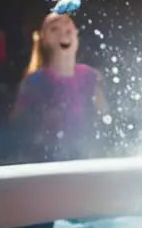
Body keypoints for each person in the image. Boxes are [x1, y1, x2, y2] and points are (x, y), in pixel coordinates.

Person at [10, 13, 107, 161]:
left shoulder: (91, 77)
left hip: (84, 157)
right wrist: (40, 120)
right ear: (44, 39)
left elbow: (106, 120)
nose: (63, 31)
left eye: (68, 27)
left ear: (76, 34)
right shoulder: (34, 82)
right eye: (54, 29)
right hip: (45, 159)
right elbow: (16, 127)